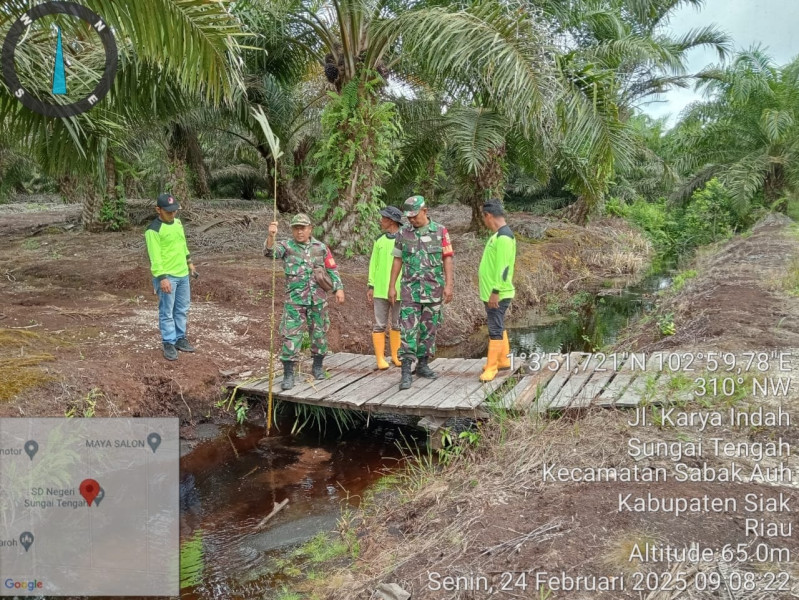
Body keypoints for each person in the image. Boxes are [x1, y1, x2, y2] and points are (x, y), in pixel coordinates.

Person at [264, 213, 345, 390]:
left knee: (319, 334)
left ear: (310, 229)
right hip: (295, 300)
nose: (300, 232)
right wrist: (271, 236)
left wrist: (338, 288)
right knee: (291, 335)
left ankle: (317, 367)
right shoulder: (286, 246)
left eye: (303, 228)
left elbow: (331, 269)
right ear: (292, 230)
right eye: (296, 228)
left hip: (318, 300)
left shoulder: (321, 247)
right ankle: (288, 374)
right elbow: (271, 253)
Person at [388, 195, 454, 390]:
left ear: (425, 211)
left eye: (414, 216)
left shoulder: (440, 231)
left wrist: (449, 285)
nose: (411, 220)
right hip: (410, 290)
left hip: (433, 289)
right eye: (408, 217)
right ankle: (406, 371)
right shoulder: (403, 233)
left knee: (429, 329)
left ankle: (423, 365)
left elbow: (447, 259)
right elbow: (397, 260)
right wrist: (392, 286)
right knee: (408, 330)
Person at [145, 193, 198, 361]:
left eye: (175, 211)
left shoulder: (178, 223)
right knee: (167, 310)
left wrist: (189, 263)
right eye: (168, 212)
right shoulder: (153, 230)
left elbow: (182, 244)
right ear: (158, 210)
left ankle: (180, 338)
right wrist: (162, 278)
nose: (172, 214)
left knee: (182, 308)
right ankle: (168, 341)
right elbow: (155, 257)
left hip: (182, 273)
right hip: (167, 275)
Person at [478, 199, 516, 381]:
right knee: (498, 324)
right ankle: (502, 360)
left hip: (498, 293)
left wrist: (495, 291)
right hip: (493, 293)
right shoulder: (498, 235)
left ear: (489, 215)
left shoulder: (504, 237)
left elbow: (504, 268)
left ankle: (492, 367)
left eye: (483, 217)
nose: (483, 221)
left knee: (494, 328)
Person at [367, 206, 404, 370]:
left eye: (383, 218)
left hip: (400, 290)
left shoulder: (404, 238)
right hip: (381, 290)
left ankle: (396, 355)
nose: (381, 221)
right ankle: (380, 358)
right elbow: (373, 264)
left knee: (397, 323)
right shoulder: (379, 240)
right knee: (379, 324)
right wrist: (371, 284)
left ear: (391, 221)